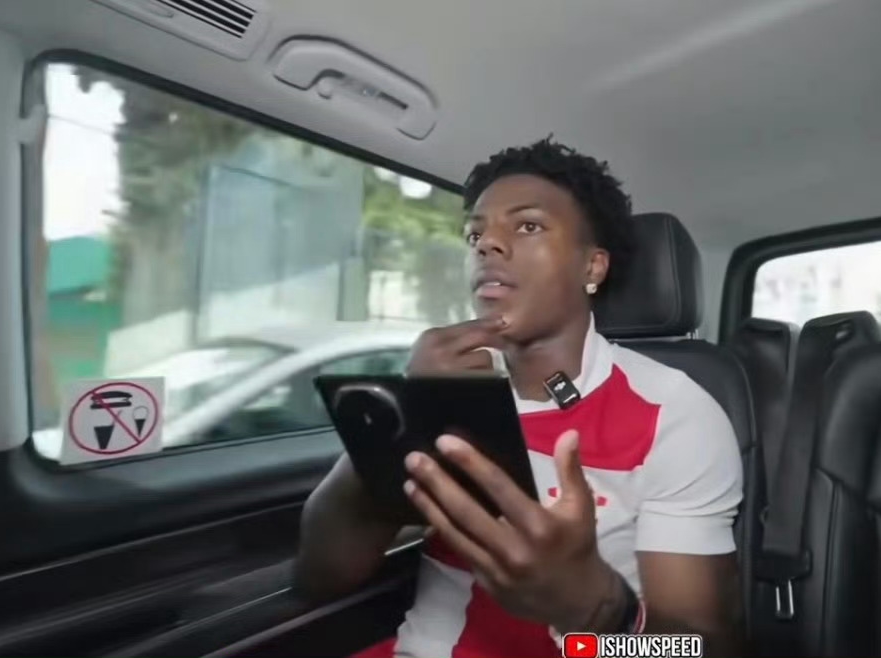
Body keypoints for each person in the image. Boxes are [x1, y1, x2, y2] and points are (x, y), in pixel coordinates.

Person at [295, 138, 745, 658]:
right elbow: (319, 578)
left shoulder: (675, 414)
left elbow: (701, 650)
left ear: (592, 268)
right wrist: (409, 412)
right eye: (475, 233)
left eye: (528, 226)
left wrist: (596, 609)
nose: (487, 244)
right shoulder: (446, 385)